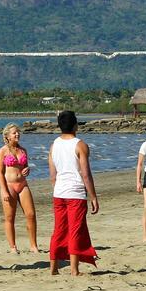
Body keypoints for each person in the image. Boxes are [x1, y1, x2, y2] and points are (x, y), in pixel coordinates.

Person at [48, 111, 99, 276]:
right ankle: (74, 270)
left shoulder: (54, 145)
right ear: (76, 125)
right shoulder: (80, 145)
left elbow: (53, 175)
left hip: (59, 192)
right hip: (75, 193)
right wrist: (93, 197)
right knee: (75, 231)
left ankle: (53, 268)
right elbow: (86, 174)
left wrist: (58, 187)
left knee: (59, 230)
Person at [0, 123, 38, 253]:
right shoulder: (2, 151)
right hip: (9, 186)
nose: (17, 134)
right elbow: (0, 172)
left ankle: (33, 246)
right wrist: (3, 190)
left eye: (18, 132)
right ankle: (13, 247)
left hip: (23, 184)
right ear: (7, 136)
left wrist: (27, 169)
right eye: (14, 133)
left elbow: (25, 166)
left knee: (31, 214)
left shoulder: (23, 150)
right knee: (10, 217)